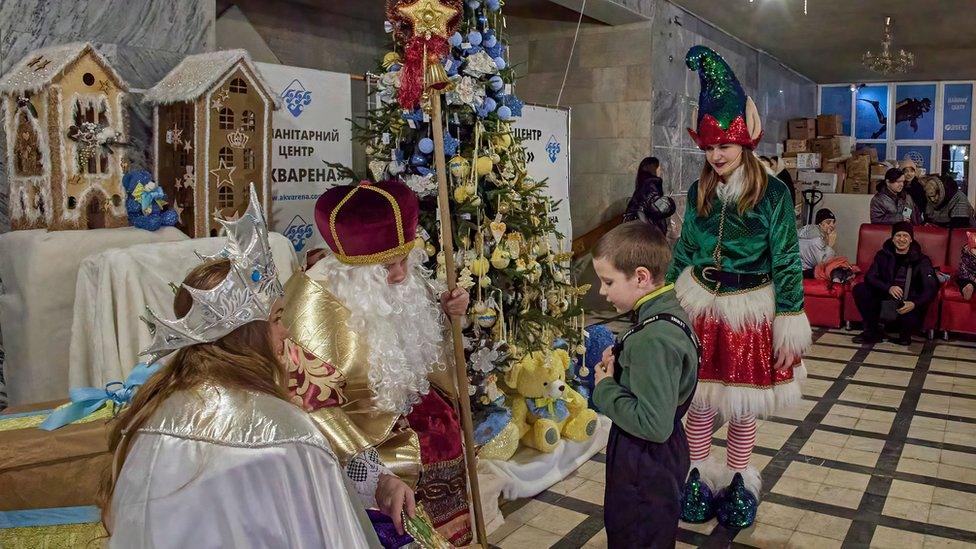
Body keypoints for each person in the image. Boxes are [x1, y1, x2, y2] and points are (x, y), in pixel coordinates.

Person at [101, 190, 379, 548]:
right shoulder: (287, 432)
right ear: (247, 335)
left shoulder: (154, 410)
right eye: (277, 319)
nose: (287, 331)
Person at [281, 179, 472, 545]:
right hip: (362, 437)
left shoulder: (393, 283)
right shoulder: (311, 307)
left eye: (405, 260)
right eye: (387, 267)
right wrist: (374, 475)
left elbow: (420, 348)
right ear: (351, 267)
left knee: (443, 425)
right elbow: (310, 406)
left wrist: (448, 315)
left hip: (402, 407)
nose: (400, 275)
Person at [668, 46, 810, 529]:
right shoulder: (697, 190)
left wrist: (788, 326)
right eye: (708, 148)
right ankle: (696, 476)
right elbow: (685, 251)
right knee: (702, 401)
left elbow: (788, 260)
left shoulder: (773, 193)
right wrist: (662, 306)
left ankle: (737, 480)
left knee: (743, 404)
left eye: (724, 146)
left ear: (745, 142)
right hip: (701, 306)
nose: (716, 156)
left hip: (751, 311)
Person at [590, 221, 699, 547]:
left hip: (645, 461)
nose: (602, 291)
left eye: (608, 281)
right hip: (655, 459)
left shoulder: (654, 339)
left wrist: (605, 387)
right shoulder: (665, 314)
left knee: (635, 535)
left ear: (641, 277)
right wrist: (624, 353)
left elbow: (653, 425)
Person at [852, 222, 939, 345]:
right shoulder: (882, 255)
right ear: (892, 239)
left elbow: (931, 288)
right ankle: (872, 332)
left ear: (911, 240)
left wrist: (914, 303)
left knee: (906, 335)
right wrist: (888, 288)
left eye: (905, 236)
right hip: (885, 299)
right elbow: (870, 277)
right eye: (898, 236)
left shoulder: (922, 260)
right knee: (860, 289)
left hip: (908, 304)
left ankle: (902, 334)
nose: (902, 239)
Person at [623, 156, 671, 235]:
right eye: (658, 167)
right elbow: (657, 208)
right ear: (653, 169)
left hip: (635, 228)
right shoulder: (651, 184)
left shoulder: (643, 184)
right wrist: (669, 203)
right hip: (647, 232)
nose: (661, 170)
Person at [798, 208, 837, 278]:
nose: (832, 225)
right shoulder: (816, 239)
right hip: (800, 272)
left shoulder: (813, 231)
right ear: (820, 223)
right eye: (828, 222)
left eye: (833, 222)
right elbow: (822, 265)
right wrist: (830, 245)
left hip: (801, 268)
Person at [955, 232, 976, 301]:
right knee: (965, 281)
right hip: (966, 276)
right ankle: (967, 289)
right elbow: (963, 270)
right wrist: (974, 279)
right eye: (974, 249)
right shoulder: (966, 253)